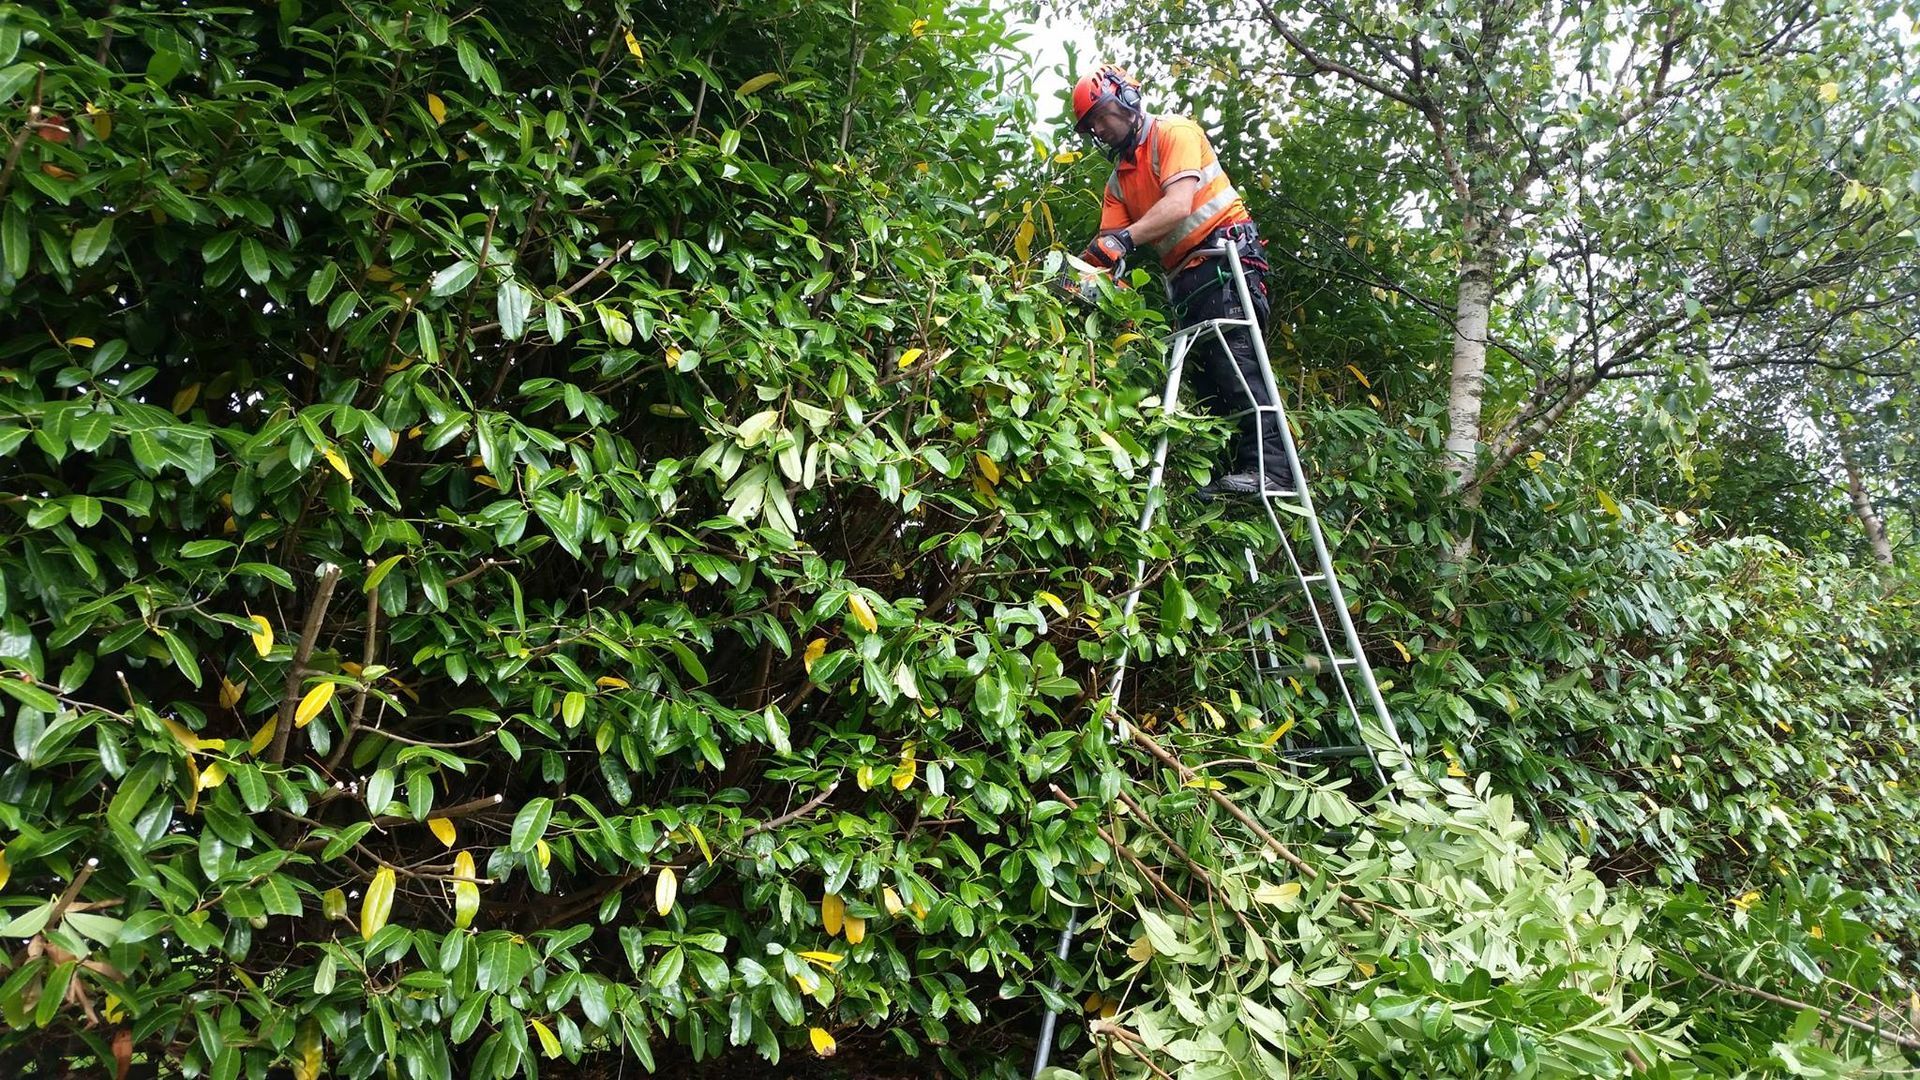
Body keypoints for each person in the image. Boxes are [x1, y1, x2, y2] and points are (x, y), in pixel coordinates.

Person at [1072, 64, 1293, 499]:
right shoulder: (1118, 182)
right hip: (1186, 281)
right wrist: (1082, 276)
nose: (1100, 129)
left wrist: (1122, 240)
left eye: (1101, 116)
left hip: (1227, 260)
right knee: (1209, 385)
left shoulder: (1174, 133)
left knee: (1239, 366)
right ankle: (1238, 480)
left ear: (1125, 99)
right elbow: (1107, 245)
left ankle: (1274, 470)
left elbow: (1177, 206)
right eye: (1092, 125)